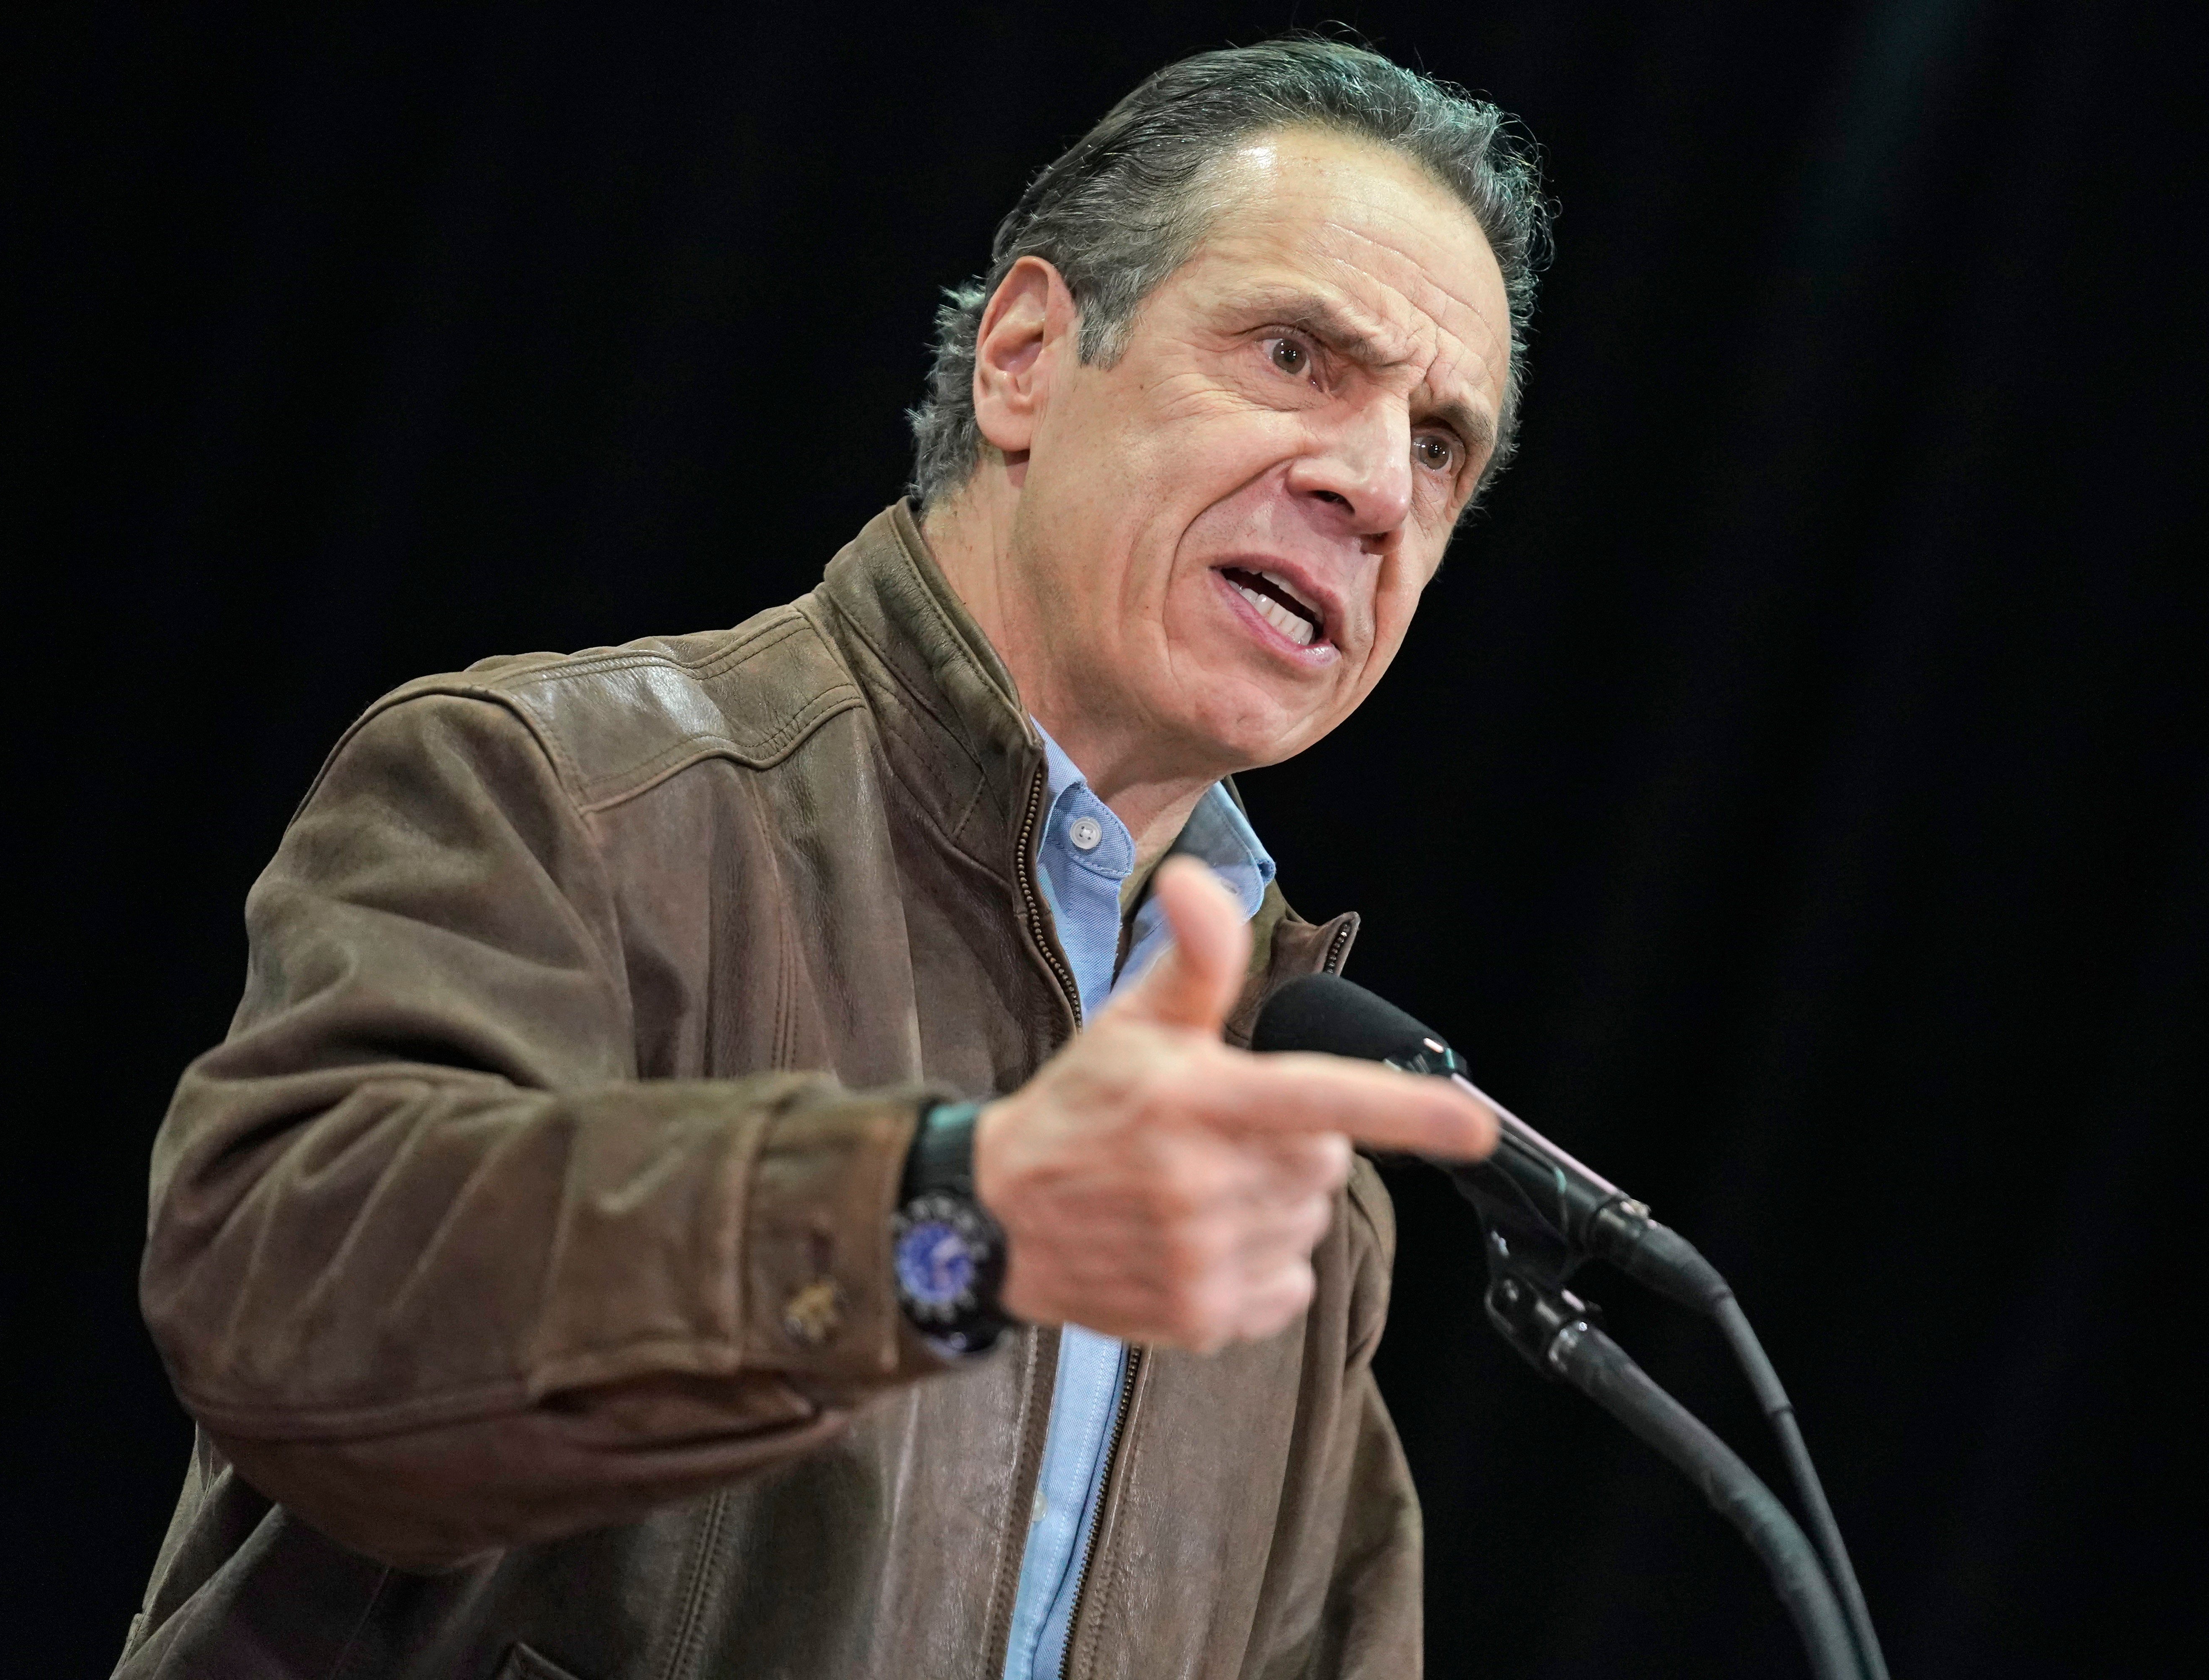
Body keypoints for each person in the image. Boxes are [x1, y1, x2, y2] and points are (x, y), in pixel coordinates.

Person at [118, 37, 1549, 1680]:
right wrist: (949, 1221)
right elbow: (293, 1316)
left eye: (1440, 446)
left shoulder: (1288, 1186)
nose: (1373, 481)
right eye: (1296, 354)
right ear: (1025, 358)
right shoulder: (570, 799)